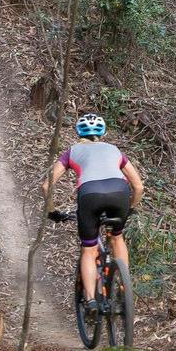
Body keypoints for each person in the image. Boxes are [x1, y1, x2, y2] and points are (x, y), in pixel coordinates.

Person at [46, 115, 144, 313]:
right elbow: (138, 186)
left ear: (78, 133)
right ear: (103, 133)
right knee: (117, 237)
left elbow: (47, 185)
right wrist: (130, 207)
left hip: (90, 196)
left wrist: (52, 211)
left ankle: (90, 301)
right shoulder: (114, 150)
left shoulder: (72, 152)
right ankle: (125, 287)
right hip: (120, 193)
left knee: (89, 250)